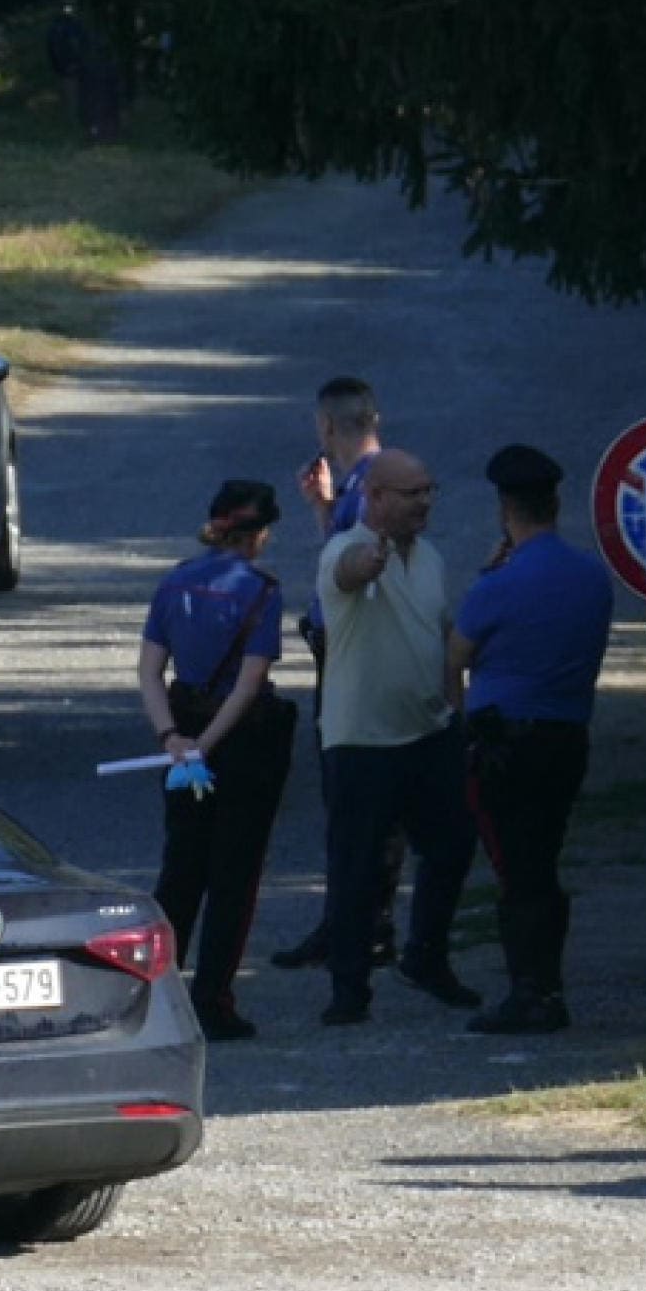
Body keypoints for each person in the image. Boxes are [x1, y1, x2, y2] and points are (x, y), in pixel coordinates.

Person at [449, 443, 614, 1034]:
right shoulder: (591, 579)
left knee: (516, 871)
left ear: (505, 510)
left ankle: (531, 991)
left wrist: (466, 722)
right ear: (556, 504)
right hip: (567, 738)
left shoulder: (497, 585)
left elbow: (454, 660)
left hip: (505, 747)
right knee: (543, 859)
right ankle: (548, 984)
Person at [312, 449, 480, 1024]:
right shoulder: (344, 549)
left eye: (430, 490)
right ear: (376, 498)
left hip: (428, 732)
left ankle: (426, 957)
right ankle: (349, 988)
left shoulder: (430, 557)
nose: (425, 502)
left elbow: (441, 637)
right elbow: (349, 570)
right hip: (361, 740)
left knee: (454, 846)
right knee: (357, 866)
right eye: (412, 494)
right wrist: (370, 560)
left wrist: (456, 711)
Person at [136, 480, 298, 1039]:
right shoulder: (260, 593)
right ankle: (213, 999)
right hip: (242, 744)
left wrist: (172, 738)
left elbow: (150, 671)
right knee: (235, 873)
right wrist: (210, 744)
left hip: (182, 733)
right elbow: (250, 684)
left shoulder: (175, 581)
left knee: (181, 865)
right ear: (257, 535)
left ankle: (154, 992)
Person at [274, 375, 390, 974]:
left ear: (325, 427)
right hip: (351, 650)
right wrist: (322, 511)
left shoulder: (368, 490)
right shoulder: (365, 488)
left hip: (351, 658)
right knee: (353, 792)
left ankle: (357, 925)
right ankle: (358, 920)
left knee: (349, 791)